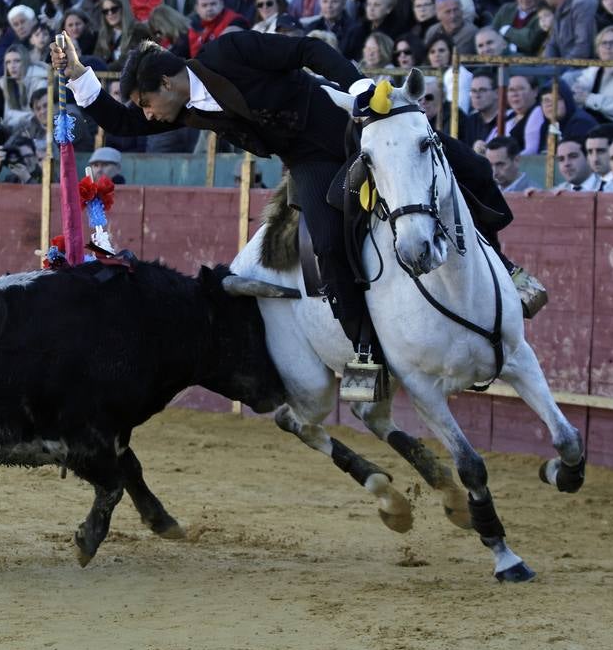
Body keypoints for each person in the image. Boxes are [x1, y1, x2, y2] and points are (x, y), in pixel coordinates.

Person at [52, 30, 547, 392]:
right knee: (327, 244)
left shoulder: (228, 52)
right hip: (309, 160)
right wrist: (78, 76)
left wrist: (355, 86)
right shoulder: (186, 105)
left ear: (166, 81)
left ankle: (506, 271)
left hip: (350, 127)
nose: (147, 114)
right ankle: (367, 356)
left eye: (146, 102)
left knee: (473, 169)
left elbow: (307, 49)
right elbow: (122, 123)